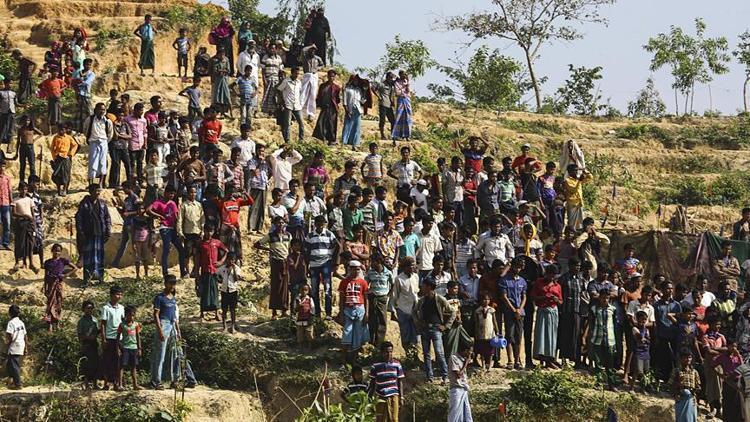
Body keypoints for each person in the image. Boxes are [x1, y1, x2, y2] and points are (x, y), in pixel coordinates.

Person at [414, 277, 455, 383]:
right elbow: (414, 312)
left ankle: (445, 376)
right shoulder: (422, 300)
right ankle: (429, 377)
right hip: (425, 329)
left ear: (428, 287)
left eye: (423, 285)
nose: (422, 287)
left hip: (436, 328)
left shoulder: (439, 299)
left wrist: (446, 326)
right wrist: (418, 322)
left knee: (439, 352)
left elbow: (452, 312)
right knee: (426, 354)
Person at [583, 288, 619, 389]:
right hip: (597, 338)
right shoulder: (594, 309)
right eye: (603, 298)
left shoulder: (613, 309)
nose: (605, 300)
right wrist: (586, 336)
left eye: (607, 298)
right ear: (599, 298)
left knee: (610, 364)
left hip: (610, 339)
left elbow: (615, 325)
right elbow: (591, 323)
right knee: (598, 363)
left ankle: (612, 384)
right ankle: (598, 383)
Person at [337, 260, 369, 363]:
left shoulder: (363, 283)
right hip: (348, 309)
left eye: (358, 269)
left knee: (358, 334)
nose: (356, 271)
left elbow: (365, 299)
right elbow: (341, 299)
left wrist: (366, 314)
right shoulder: (344, 282)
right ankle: (343, 358)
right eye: (354, 269)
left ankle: (354, 359)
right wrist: (341, 313)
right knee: (347, 333)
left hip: (360, 309)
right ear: (350, 269)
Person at [305, 215, 337, 318]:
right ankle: (317, 313)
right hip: (314, 265)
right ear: (315, 224)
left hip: (326, 264)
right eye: (318, 223)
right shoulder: (310, 236)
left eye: (322, 223)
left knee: (327, 288)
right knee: (314, 289)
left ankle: (328, 313)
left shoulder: (329, 234)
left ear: (324, 224)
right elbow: (306, 251)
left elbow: (336, 245)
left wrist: (331, 257)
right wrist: (307, 266)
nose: (320, 225)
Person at [531, 264, 562, 368]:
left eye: (553, 275)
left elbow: (561, 301)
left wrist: (556, 300)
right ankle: (541, 360)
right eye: (550, 274)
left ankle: (550, 359)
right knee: (541, 335)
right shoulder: (539, 282)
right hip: (542, 311)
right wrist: (544, 297)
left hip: (553, 311)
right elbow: (533, 297)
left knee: (551, 336)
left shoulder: (557, 286)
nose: (551, 277)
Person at [150, 275, 178, 390]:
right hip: (164, 324)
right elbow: (156, 314)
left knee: (173, 354)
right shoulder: (159, 298)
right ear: (165, 283)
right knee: (160, 354)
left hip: (172, 325)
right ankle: (156, 380)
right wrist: (160, 330)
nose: (172, 286)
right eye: (170, 283)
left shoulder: (173, 298)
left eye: (173, 283)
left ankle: (173, 379)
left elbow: (174, 316)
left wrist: (178, 330)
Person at [196, 223, 227, 321]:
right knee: (203, 292)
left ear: (213, 232)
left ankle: (217, 313)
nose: (209, 233)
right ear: (204, 231)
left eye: (211, 231)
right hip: (205, 271)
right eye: (207, 231)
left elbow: (226, 251)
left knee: (215, 292)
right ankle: (202, 313)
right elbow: (197, 260)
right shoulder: (200, 244)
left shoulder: (216, 242)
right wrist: (197, 274)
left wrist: (221, 262)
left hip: (214, 272)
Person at [42, 243, 76, 331]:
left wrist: (65, 275)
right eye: (55, 251)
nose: (57, 253)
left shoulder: (63, 261)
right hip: (50, 285)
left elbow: (75, 268)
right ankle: (49, 324)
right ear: (52, 251)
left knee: (58, 303)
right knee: (50, 303)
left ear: (60, 252)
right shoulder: (47, 262)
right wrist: (45, 287)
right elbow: (45, 276)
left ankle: (56, 322)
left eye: (58, 251)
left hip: (58, 285)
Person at [391, 257, 420, 356]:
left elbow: (417, 293)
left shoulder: (416, 277)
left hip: (415, 310)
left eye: (414, 265)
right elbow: (395, 295)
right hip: (403, 310)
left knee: (415, 335)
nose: (413, 267)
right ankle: (408, 355)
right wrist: (395, 310)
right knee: (405, 334)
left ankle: (415, 356)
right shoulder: (399, 279)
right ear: (405, 267)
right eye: (411, 266)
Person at [369, 341, 405, 422]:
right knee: (380, 419)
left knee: (394, 419)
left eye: (391, 352)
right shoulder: (376, 366)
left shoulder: (397, 365)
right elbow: (372, 384)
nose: (389, 354)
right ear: (382, 353)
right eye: (386, 352)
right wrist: (370, 399)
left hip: (393, 395)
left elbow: (400, 382)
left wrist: (401, 397)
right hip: (381, 396)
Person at [100, 285, 124, 391]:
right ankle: (106, 383)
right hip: (110, 337)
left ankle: (116, 383)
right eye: (117, 294)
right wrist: (103, 339)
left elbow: (123, 323)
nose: (119, 296)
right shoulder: (106, 308)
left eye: (120, 294)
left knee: (118, 361)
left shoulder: (122, 308)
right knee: (107, 360)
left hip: (120, 338)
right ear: (111, 295)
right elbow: (103, 324)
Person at [366, 254, 393, 345]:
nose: (371, 264)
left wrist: (387, 295)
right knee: (372, 318)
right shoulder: (370, 273)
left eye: (372, 262)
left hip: (382, 298)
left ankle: (380, 342)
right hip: (372, 297)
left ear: (378, 262)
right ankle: (371, 340)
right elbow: (366, 284)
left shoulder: (388, 273)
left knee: (382, 319)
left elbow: (392, 285)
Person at [11, 182, 36, 273]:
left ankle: (31, 263)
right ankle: (17, 262)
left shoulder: (30, 200)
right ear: (19, 189)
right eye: (22, 189)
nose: (24, 191)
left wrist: (33, 223)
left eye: (25, 189)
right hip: (20, 223)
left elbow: (32, 213)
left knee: (30, 243)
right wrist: (24, 215)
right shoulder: (15, 200)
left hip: (29, 223)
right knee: (19, 243)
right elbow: (13, 213)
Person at [670, 349, 701, 422]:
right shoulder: (676, 371)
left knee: (691, 418)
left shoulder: (694, 372)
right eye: (685, 357)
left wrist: (696, 390)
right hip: (680, 398)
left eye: (689, 357)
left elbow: (698, 386)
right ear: (681, 359)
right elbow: (670, 385)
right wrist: (678, 386)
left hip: (691, 398)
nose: (688, 359)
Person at [116, 305, 142, 391]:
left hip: (133, 348)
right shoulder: (122, 325)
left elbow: (138, 336)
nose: (131, 317)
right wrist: (118, 348)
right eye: (130, 315)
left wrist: (139, 348)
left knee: (133, 366)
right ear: (126, 315)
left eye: (133, 315)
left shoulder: (136, 325)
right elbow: (118, 337)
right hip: (125, 347)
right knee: (122, 366)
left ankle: (135, 384)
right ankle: (120, 384)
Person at [312, 69, 341, 145]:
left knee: (331, 124)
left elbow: (338, 99)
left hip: (332, 108)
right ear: (327, 76)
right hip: (324, 107)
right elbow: (319, 96)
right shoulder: (322, 86)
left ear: (334, 77)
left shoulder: (336, 87)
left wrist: (335, 105)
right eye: (330, 76)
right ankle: (322, 139)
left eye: (333, 76)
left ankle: (331, 140)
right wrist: (318, 104)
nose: (331, 78)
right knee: (321, 123)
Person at [277, 66, 304, 142]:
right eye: (296, 73)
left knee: (301, 123)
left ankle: (301, 139)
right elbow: (279, 90)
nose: (297, 75)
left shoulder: (299, 82)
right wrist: (282, 101)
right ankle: (287, 140)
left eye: (298, 74)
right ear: (292, 73)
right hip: (288, 105)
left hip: (297, 105)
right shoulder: (286, 81)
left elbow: (300, 92)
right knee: (287, 124)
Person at [217, 252, 243, 332]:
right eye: (229, 260)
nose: (231, 262)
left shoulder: (237, 269)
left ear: (234, 260)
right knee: (224, 310)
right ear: (226, 260)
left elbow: (236, 279)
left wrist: (233, 270)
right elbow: (217, 275)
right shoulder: (222, 268)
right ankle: (224, 326)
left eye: (232, 260)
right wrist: (220, 280)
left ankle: (232, 326)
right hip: (224, 290)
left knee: (232, 310)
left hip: (233, 290)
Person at [562, 164, 592, 230]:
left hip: (579, 202)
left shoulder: (578, 179)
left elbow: (590, 178)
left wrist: (585, 171)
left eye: (577, 170)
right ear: (570, 172)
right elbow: (573, 190)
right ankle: (571, 233)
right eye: (574, 171)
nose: (576, 172)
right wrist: (579, 181)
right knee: (572, 221)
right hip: (572, 203)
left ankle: (578, 232)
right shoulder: (567, 180)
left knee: (580, 221)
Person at [448, 345, 474, 422]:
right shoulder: (454, 358)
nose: (471, 353)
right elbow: (458, 374)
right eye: (470, 351)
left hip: (464, 389)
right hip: (457, 389)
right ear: (465, 350)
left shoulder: (462, 359)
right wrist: (466, 364)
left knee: (466, 413)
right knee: (454, 414)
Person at [77, 300, 99, 389]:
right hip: (86, 344)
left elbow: (97, 332)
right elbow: (80, 336)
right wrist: (88, 337)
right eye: (87, 308)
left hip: (94, 343)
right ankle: (86, 383)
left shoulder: (95, 320)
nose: (89, 310)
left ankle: (95, 383)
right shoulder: (81, 321)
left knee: (95, 363)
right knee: (86, 364)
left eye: (91, 308)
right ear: (83, 309)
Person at [4, 304, 27, 390]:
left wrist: (7, 344)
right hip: (21, 344)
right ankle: (11, 382)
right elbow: (25, 336)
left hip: (14, 346)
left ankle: (18, 384)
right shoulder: (21, 323)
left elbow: (9, 335)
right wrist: (26, 348)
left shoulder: (11, 323)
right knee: (10, 364)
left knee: (14, 365)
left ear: (10, 313)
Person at [37, 68, 67, 133]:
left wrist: (60, 90)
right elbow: (40, 86)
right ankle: (49, 130)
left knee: (58, 113)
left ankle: (58, 129)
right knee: (50, 113)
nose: (56, 74)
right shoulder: (47, 81)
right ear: (51, 73)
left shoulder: (59, 80)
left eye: (57, 72)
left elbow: (65, 85)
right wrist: (47, 92)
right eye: (54, 72)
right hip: (51, 99)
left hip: (57, 99)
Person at [342, 75, 366, 149]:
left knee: (357, 127)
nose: (356, 82)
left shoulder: (359, 90)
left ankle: (355, 143)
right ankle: (344, 142)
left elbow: (362, 101)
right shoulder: (347, 89)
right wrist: (347, 111)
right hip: (350, 109)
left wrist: (364, 94)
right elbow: (345, 102)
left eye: (357, 81)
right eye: (355, 80)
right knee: (347, 126)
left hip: (358, 110)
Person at [371, 72, 396, 140]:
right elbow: (373, 88)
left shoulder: (391, 85)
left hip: (389, 105)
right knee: (382, 120)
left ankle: (393, 135)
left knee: (393, 121)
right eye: (390, 77)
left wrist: (392, 102)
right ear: (387, 77)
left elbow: (391, 94)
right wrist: (378, 96)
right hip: (383, 104)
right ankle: (382, 135)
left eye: (392, 78)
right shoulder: (381, 84)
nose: (391, 79)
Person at [260, 44, 284, 115]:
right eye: (271, 48)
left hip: (276, 79)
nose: (272, 50)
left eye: (274, 48)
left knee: (274, 96)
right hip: (268, 79)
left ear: (276, 49)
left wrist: (281, 80)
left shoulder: (279, 58)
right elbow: (263, 70)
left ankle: (274, 111)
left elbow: (280, 71)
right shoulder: (265, 57)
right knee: (267, 95)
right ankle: (267, 111)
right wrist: (264, 80)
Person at [210, 47, 232, 118]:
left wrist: (222, 71)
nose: (222, 56)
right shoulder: (214, 60)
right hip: (217, 81)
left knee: (226, 96)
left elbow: (228, 70)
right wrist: (221, 71)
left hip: (225, 80)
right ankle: (218, 112)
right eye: (221, 54)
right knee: (217, 97)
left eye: (223, 54)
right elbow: (214, 70)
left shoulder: (226, 60)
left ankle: (225, 112)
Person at [391, 71, 413, 143]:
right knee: (399, 117)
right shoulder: (397, 83)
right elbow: (397, 93)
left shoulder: (406, 81)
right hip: (401, 100)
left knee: (408, 118)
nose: (403, 76)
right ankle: (397, 135)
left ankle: (407, 135)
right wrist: (403, 88)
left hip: (407, 100)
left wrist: (407, 85)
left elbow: (409, 91)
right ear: (400, 75)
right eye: (402, 75)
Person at [76, 59, 96, 132]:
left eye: (90, 65)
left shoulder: (91, 74)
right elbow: (75, 81)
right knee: (79, 113)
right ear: (83, 65)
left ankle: (90, 128)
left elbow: (87, 82)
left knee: (89, 112)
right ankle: (80, 129)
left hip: (86, 95)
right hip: (79, 94)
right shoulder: (80, 72)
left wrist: (80, 82)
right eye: (87, 64)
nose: (88, 66)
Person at [294, 283, 315, 348]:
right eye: (302, 290)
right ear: (299, 290)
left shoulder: (310, 299)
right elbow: (295, 310)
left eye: (306, 290)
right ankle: (300, 347)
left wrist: (311, 319)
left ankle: (310, 346)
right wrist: (298, 305)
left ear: (308, 291)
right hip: (299, 320)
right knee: (300, 335)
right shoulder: (297, 299)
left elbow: (312, 309)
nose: (304, 291)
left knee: (309, 334)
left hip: (308, 320)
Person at [0, 78, 17, 146]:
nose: (11, 85)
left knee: (11, 128)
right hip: (4, 113)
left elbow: (16, 103)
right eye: (9, 83)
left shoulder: (13, 93)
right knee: (3, 128)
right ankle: (1, 141)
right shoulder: (1, 93)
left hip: (12, 113)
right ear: (5, 84)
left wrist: (24, 105)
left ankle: (9, 144)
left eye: (11, 83)